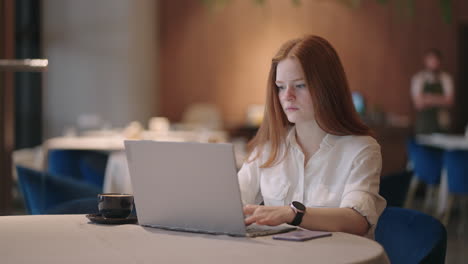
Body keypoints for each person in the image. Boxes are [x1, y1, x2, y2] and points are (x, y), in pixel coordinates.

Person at [238, 35, 386, 239]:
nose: (287, 96)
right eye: (280, 87)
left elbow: (357, 220)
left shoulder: (361, 149)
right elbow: (231, 201)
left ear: (327, 88)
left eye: (299, 85)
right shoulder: (268, 149)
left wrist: (292, 214)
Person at [411, 49, 454, 134]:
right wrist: (441, 99)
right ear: (426, 61)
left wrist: (427, 98)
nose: (434, 63)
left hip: (442, 122)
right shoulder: (419, 78)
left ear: (440, 62)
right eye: (431, 60)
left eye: (436, 60)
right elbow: (418, 103)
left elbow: (449, 101)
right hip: (424, 123)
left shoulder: (446, 78)